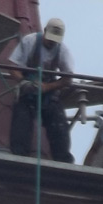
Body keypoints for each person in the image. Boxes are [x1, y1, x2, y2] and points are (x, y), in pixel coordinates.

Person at [8, 17, 75, 163]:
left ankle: (62, 161)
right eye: (50, 38)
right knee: (21, 121)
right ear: (45, 31)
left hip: (48, 93)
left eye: (55, 40)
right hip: (28, 90)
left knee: (58, 126)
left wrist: (47, 87)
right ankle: (19, 156)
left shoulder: (62, 50)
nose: (51, 42)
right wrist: (23, 82)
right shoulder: (30, 42)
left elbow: (67, 78)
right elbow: (12, 65)